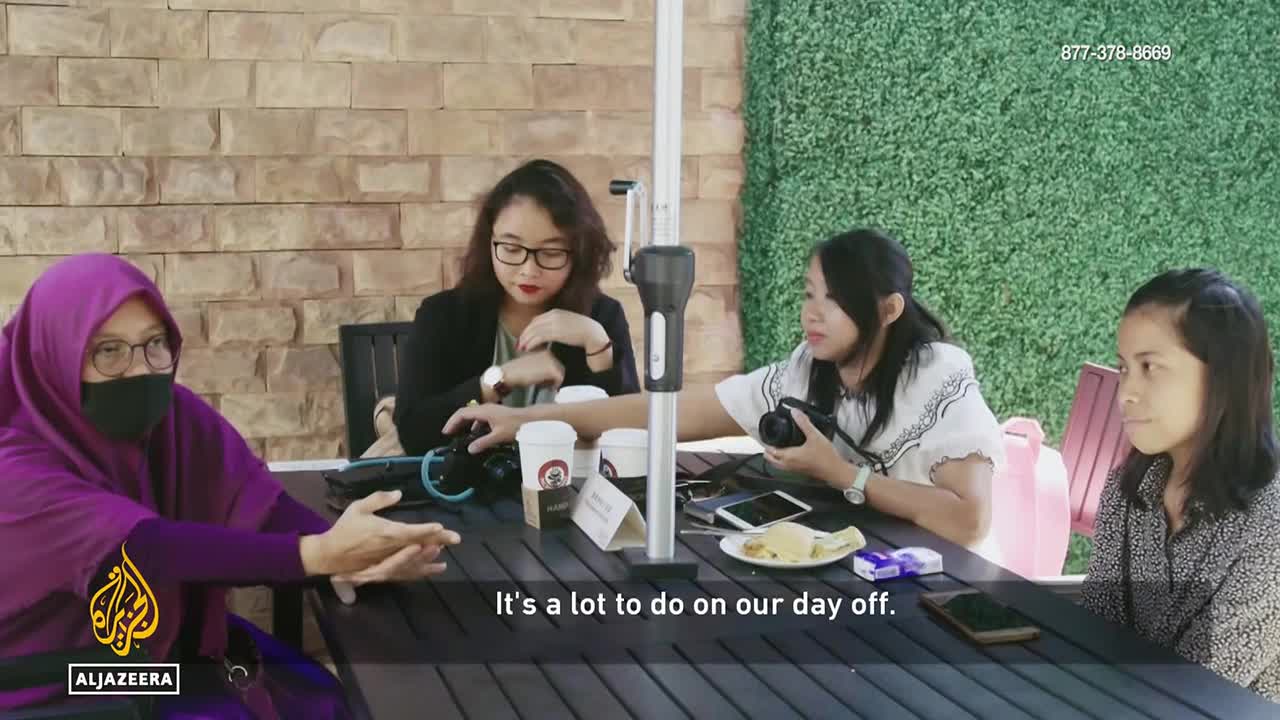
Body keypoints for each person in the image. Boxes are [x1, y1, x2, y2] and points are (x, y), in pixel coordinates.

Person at [0, 254, 461, 716]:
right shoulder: (13, 466)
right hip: (62, 677)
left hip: (163, 645)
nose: (140, 370)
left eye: (154, 343)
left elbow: (253, 499)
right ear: (52, 354)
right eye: (107, 351)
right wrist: (316, 556)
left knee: (321, 697)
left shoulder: (170, 415)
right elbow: (146, 551)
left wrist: (350, 549)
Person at [446, 228, 1005, 551]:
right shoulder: (808, 368)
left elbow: (969, 520)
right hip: (850, 567)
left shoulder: (936, 374)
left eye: (832, 301)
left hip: (940, 582)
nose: (812, 315)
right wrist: (524, 422)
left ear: (887, 311)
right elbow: (671, 412)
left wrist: (840, 475)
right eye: (809, 294)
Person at [1081, 269, 1280, 701]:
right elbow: (1096, 632)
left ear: (1224, 378)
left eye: (1150, 366)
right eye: (1124, 367)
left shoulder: (1272, 521)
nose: (1126, 391)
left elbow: (1201, 691)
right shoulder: (1128, 490)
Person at [385, 159, 641, 458]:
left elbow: (628, 439)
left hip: (571, 491)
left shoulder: (601, 317)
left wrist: (598, 347)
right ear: (489, 243)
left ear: (579, 253)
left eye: (551, 252)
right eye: (511, 249)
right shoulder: (443, 315)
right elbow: (415, 433)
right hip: (468, 494)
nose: (528, 270)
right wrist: (495, 381)